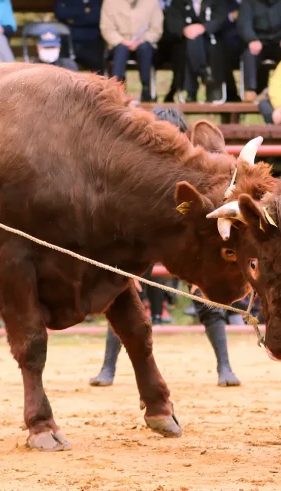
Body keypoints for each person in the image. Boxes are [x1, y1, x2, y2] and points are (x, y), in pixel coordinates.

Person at [89, 106, 240, 388]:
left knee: (206, 299)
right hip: (146, 243)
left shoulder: (198, 163)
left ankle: (225, 367)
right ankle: (107, 367)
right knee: (123, 294)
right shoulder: (138, 166)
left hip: (188, 244)